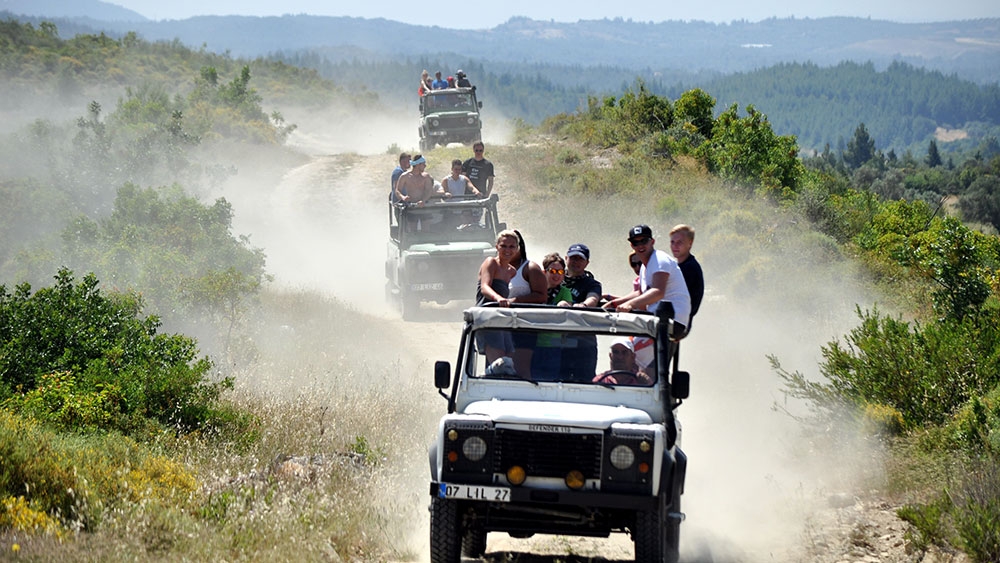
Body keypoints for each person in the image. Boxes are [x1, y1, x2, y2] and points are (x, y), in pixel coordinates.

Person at [605, 225, 691, 336]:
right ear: (632, 245)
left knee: (622, 338)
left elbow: (658, 292)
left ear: (652, 242)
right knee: (618, 331)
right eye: (636, 242)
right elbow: (640, 294)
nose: (640, 245)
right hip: (657, 319)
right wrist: (613, 303)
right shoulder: (644, 267)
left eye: (644, 241)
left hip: (672, 321)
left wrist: (629, 304)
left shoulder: (660, 259)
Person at [559, 243, 602, 381]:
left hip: (583, 342)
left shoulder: (592, 284)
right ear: (566, 259)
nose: (576, 262)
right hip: (556, 341)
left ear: (587, 263)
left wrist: (583, 305)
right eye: (573, 258)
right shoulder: (555, 277)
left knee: (584, 382)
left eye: (580, 259)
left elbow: (593, 298)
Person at [532, 253, 573, 378]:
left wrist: (564, 304)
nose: (557, 275)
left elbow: (568, 305)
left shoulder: (565, 292)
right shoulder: (534, 289)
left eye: (560, 271)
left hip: (553, 346)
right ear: (544, 272)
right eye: (553, 271)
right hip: (532, 343)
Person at [670, 224, 704, 330]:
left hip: (678, 323)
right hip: (674, 320)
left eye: (679, 242)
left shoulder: (690, 268)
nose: (675, 246)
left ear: (690, 243)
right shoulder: (679, 266)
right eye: (672, 242)